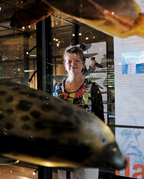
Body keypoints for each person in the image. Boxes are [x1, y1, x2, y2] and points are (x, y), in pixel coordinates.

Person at [52, 45, 104, 179]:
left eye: (77, 61)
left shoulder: (92, 89)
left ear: (83, 64)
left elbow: (100, 122)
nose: (72, 64)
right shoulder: (57, 88)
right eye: (69, 61)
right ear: (64, 64)